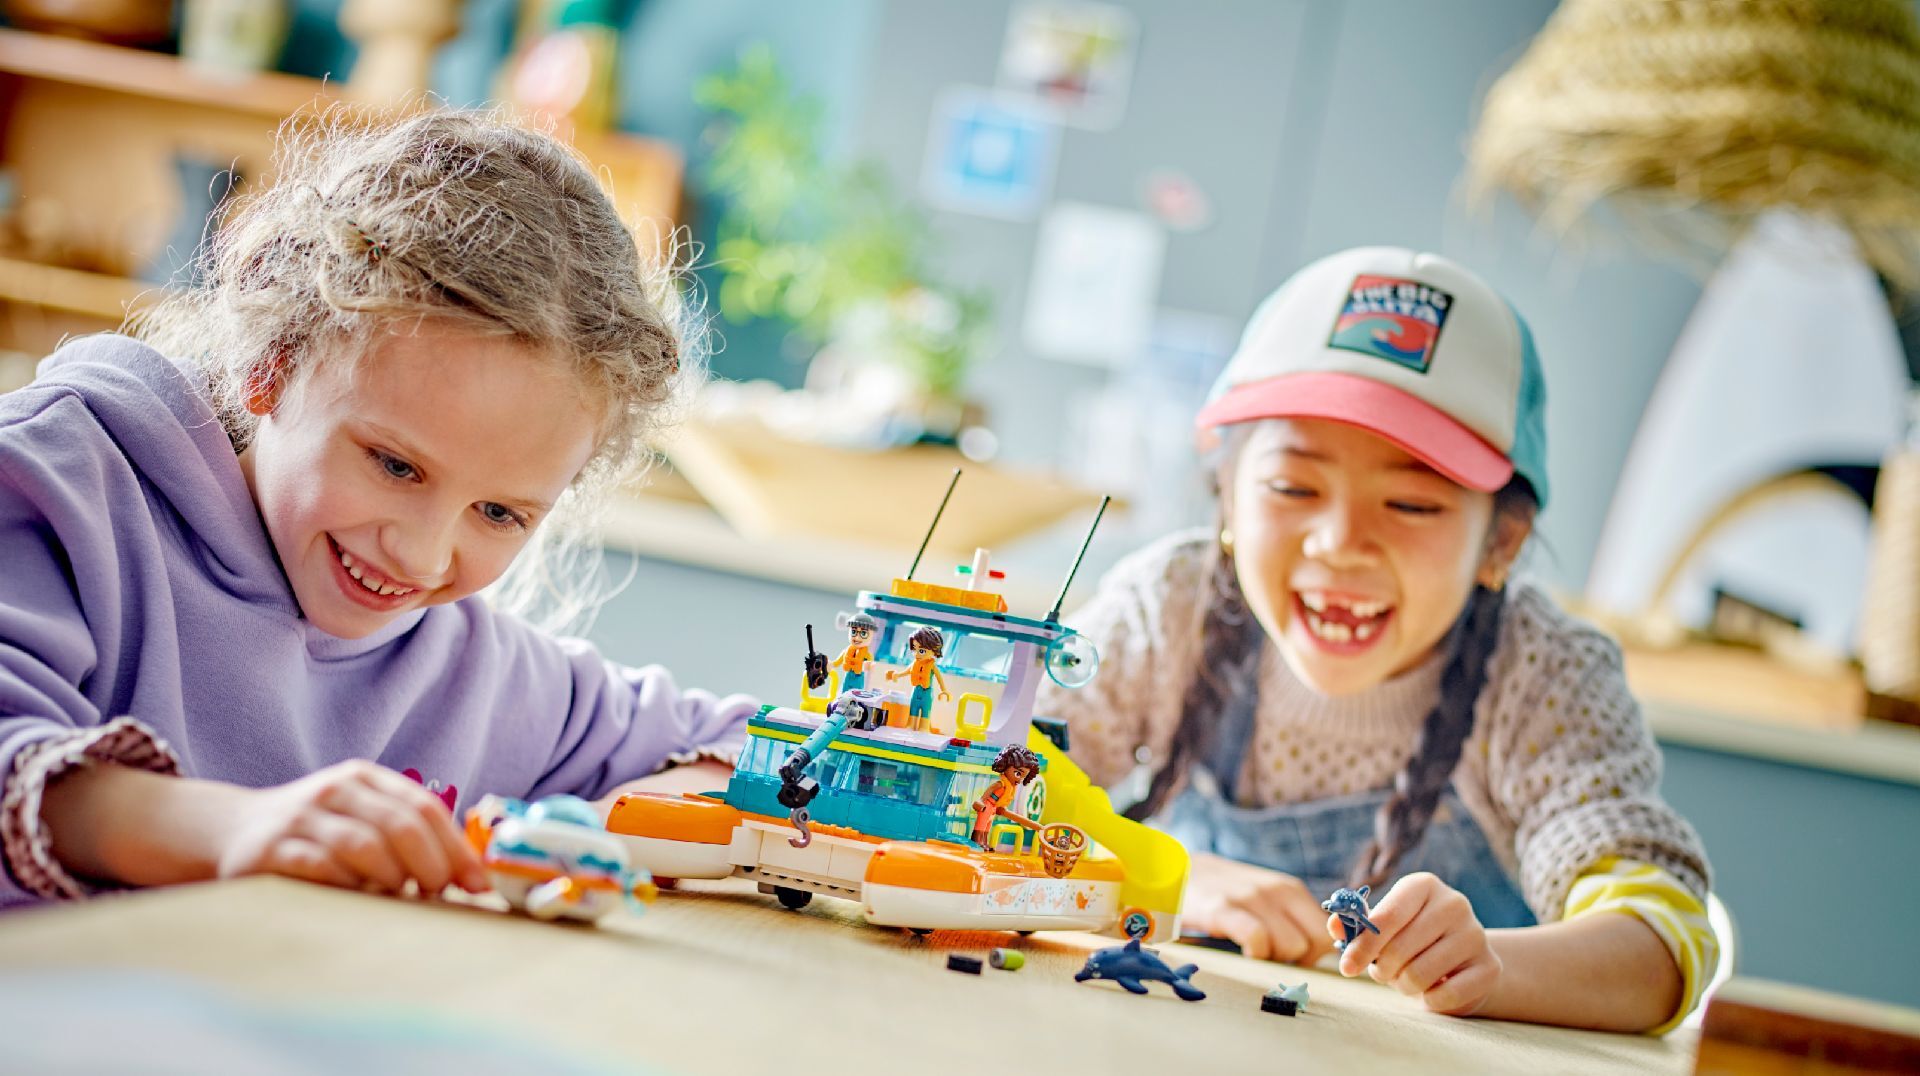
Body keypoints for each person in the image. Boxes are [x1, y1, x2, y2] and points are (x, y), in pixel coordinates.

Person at [0, 110, 755, 908]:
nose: (422, 557)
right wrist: (231, 831)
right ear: (273, 361)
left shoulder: (475, 669)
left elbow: (758, 753)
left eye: (499, 513)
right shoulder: (60, 482)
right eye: (396, 465)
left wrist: (583, 840)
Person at [1037, 247, 1718, 1033]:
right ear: (1225, 493)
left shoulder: (1541, 678)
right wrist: (1157, 878)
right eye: (1294, 488)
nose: (1340, 542)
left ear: (1502, 541)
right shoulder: (1170, 611)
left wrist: (1492, 970)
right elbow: (988, 791)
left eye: (1412, 504)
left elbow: (1663, 942)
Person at [885, 626, 950, 731]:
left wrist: (944, 690)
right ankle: (910, 724)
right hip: (916, 691)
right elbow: (907, 672)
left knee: (925, 710)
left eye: (922, 651)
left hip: (927, 693)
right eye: (914, 649)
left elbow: (939, 678)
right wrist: (897, 675)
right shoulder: (915, 663)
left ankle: (923, 727)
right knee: (913, 709)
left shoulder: (932, 665)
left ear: (934, 650)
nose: (916, 654)